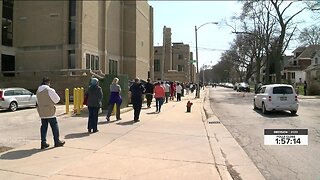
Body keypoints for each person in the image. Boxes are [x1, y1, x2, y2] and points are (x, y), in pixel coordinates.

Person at [36, 77, 65, 149]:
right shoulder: (49, 90)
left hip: (41, 111)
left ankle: (43, 142)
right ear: (48, 82)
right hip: (50, 111)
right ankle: (57, 141)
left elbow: (37, 101)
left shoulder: (38, 91)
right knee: (54, 126)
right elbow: (57, 100)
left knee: (44, 126)